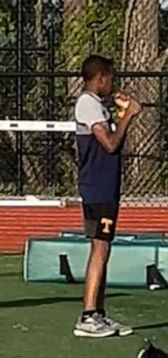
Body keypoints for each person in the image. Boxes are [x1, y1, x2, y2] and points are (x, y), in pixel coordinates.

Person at [72, 54, 140, 338]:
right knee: (99, 249)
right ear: (99, 78)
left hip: (106, 188)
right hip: (97, 188)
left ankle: (97, 313)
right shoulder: (87, 104)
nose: (112, 83)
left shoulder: (98, 106)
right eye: (109, 78)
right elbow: (110, 144)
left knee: (104, 248)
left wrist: (121, 114)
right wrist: (128, 116)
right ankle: (88, 315)